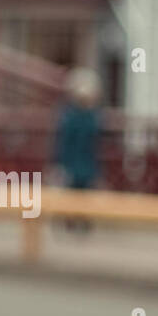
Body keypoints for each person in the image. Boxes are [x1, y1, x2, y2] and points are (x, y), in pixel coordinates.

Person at [53, 67, 103, 232]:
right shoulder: (74, 117)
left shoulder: (84, 116)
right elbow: (63, 143)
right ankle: (73, 222)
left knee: (83, 194)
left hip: (84, 165)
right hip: (75, 164)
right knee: (73, 194)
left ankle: (80, 222)